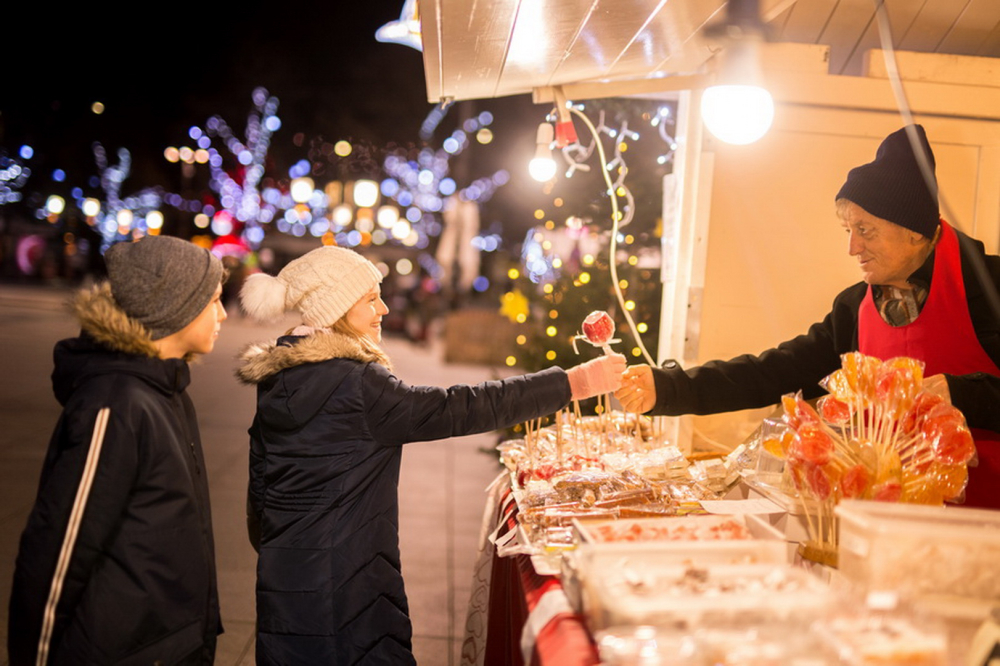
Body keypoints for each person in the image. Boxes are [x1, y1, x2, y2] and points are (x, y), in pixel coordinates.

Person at [236, 245, 625, 665]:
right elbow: (462, 406)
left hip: (285, 581)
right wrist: (573, 383)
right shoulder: (359, 386)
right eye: (370, 299)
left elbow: (260, 494)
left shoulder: (280, 378)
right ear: (337, 309)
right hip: (349, 588)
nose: (384, 308)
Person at [616, 125, 1000, 510]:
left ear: (915, 232)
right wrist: (668, 388)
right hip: (888, 522)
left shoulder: (991, 288)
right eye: (848, 230)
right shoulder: (854, 309)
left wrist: (961, 392)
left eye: (865, 230)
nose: (852, 247)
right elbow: (773, 373)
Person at [9, 235, 227, 665]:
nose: (222, 314)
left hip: (165, 642)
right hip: (120, 648)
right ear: (174, 305)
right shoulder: (117, 403)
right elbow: (60, 550)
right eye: (214, 300)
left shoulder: (167, 391)